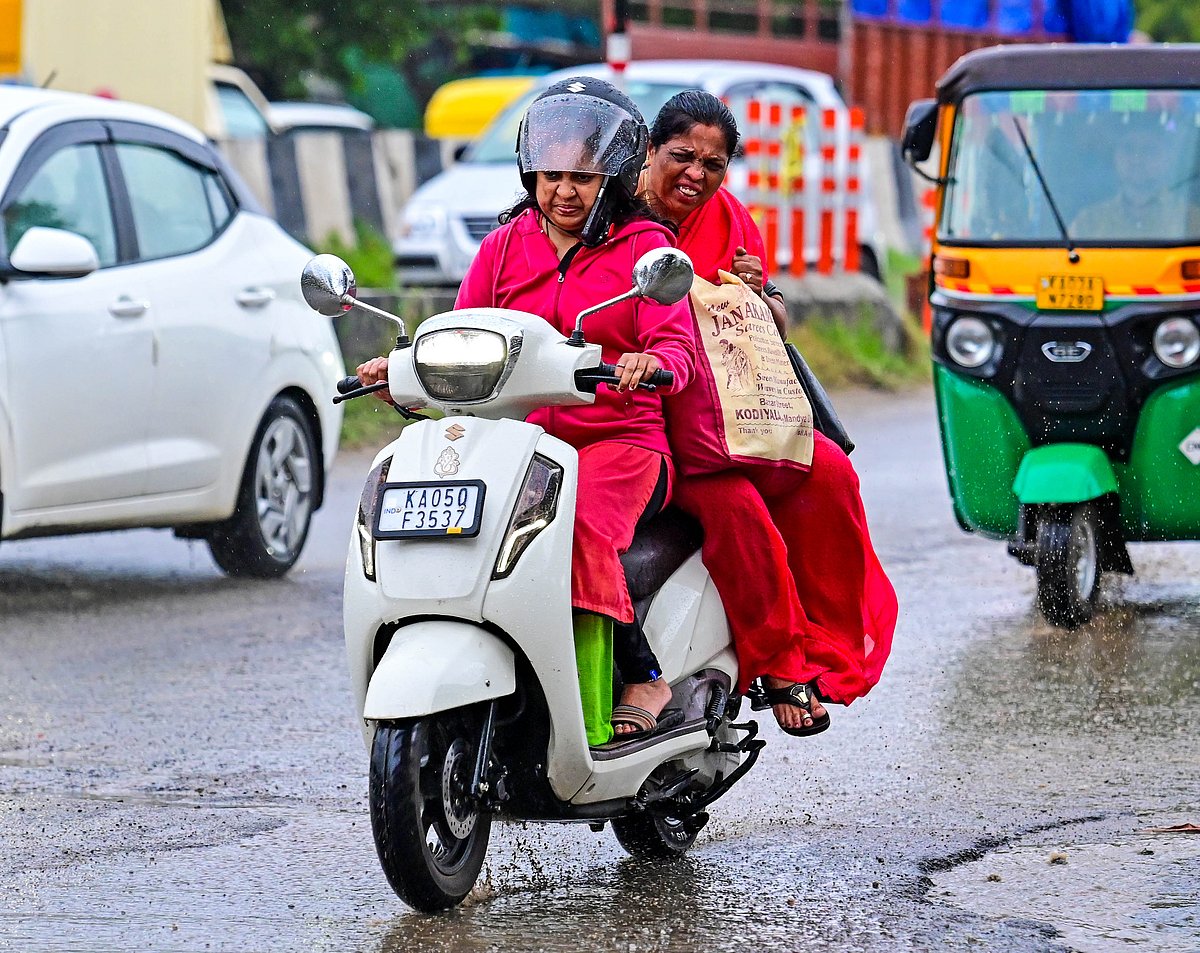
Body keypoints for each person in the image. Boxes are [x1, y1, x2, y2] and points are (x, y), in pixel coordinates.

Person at [356, 77, 695, 744]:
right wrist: (400, 372)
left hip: (621, 444)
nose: (562, 191)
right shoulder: (503, 248)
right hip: (520, 443)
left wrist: (646, 363)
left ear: (616, 177)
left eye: (581, 177)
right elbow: (458, 339)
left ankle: (644, 673)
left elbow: (676, 346)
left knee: (576, 527)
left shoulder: (644, 253)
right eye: (550, 175)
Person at [641, 89, 898, 736]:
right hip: (660, 417)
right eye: (682, 157)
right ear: (647, 152)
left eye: (714, 163)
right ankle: (782, 665)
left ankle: (826, 648)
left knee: (831, 472)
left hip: (737, 410)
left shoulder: (728, 216)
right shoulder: (616, 217)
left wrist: (757, 295)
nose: (696, 175)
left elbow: (777, 320)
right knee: (737, 507)